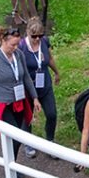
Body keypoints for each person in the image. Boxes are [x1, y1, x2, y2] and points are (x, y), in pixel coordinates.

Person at [0, 25, 42, 178]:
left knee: (17, 136)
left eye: (17, 44)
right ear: (3, 40)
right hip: (2, 104)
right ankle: (11, 171)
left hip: (18, 102)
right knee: (14, 136)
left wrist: (34, 97)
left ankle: (12, 166)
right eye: (12, 45)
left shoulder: (19, 55)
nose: (15, 48)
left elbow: (26, 77)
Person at [18, 18, 60, 158]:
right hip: (28, 88)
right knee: (27, 117)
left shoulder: (45, 42)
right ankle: (28, 143)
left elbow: (50, 59)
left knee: (52, 114)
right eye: (34, 36)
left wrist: (56, 72)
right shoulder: (21, 47)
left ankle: (50, 141)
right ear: (27, 33)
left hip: (44, 85)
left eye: (40, 36)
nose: (37, 39)